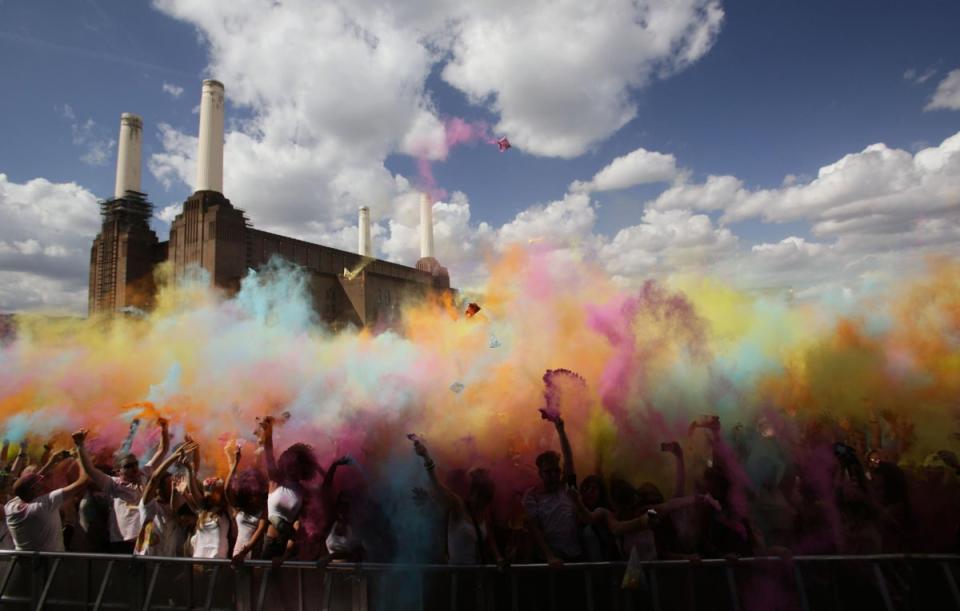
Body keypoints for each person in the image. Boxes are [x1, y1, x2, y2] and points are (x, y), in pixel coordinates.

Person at [72, 419, 170, 553]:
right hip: (123, 540)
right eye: (128, 466)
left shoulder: (144, 474)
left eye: (135, 464)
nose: (134, 468)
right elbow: (90, 470)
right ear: (118, 471)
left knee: (148, 571)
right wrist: (80, 445)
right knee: (126, 572)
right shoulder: (112, 484)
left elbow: (162, 450)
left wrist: (164, 428)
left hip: (146, 536)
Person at [410, 438, 504, 566]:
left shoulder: (483, 513)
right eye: (479, 497)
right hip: (457, 575)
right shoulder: (458, 506)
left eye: (485, 499)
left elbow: (490, 537)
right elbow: (437, 486)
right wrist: (427, 457)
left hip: (478, 576)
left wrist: (499, 558)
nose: (480, 503)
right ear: (472, 493)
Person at [522, 412, 585, 565]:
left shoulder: (566, 488)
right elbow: (535, 529)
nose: (553, 475)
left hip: (574, 555)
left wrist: (560, 428)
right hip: (549, 560)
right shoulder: (532, 496)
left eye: (556, 470)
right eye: (548, 472)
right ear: (540, 473)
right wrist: (550, 556)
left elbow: (569, 460)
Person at [258, 415, 322, 563]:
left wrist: (285, 556)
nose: (295, 468)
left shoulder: (302, 492)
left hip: (288, 547)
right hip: (270, 541)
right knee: (263, 580)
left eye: (299, 465)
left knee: (279, 584)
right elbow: (268, 455)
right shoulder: (276, 480)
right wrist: (269, 432)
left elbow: (297, 526)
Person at [5, 450, 87, 551]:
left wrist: (51, 462)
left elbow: (29, 485)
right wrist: (80, 457)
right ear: (36, 489)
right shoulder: (46, 503)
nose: (43, 482)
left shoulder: (11, 506)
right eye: (40, 482)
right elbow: (82, 481)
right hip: (51, 563)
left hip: (24, 562)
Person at [135, 440, 196, 556]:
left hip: (168, 562)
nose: (172, 486)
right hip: (145, 560)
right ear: (159, 488)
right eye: (168, 484)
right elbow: (154, 479)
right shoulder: (148, 505)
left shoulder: (175, 507)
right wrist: (173, 457)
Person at [224, 440, 268, 564]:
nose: (254, 495)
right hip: (238, 552)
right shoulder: (240, 506)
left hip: (253, 554)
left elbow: (260, 530)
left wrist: (244, 552)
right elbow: (227, 489)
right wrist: (235, 463)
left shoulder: (264, 506)